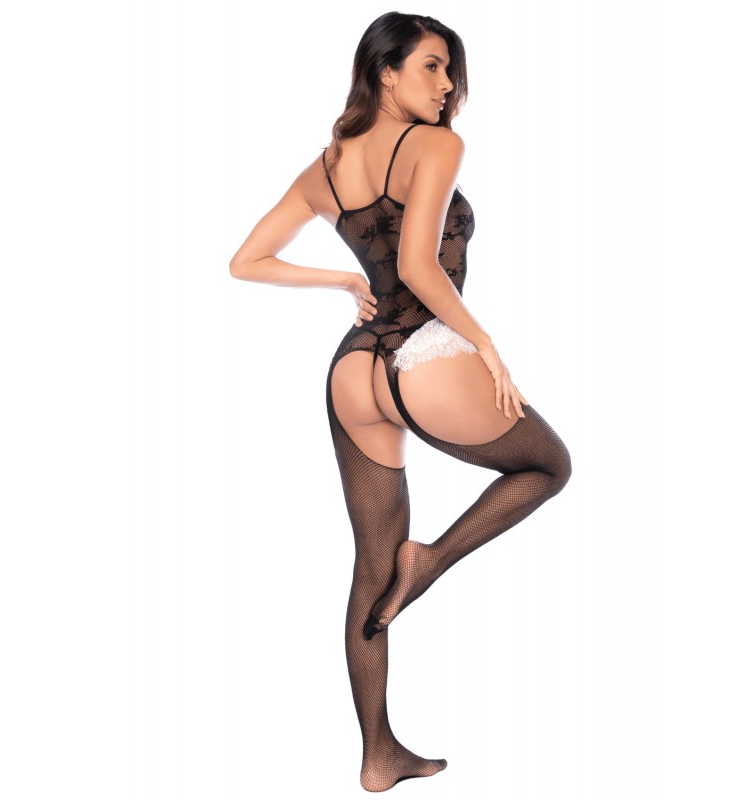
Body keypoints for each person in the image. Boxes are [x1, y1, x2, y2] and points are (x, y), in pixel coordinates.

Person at [229, 11, 572, 792]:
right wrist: (485, 344)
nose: (447, 85)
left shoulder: (326, 167)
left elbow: (246, 260)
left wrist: (340, 280)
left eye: (450, 70)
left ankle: (378, 756)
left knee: (369, 568)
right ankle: (432, 560)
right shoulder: (436, 147)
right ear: (385, 71)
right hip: (423, 357)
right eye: (431, 66)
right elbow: (420, 265)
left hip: (354, 370)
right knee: (548, 467)